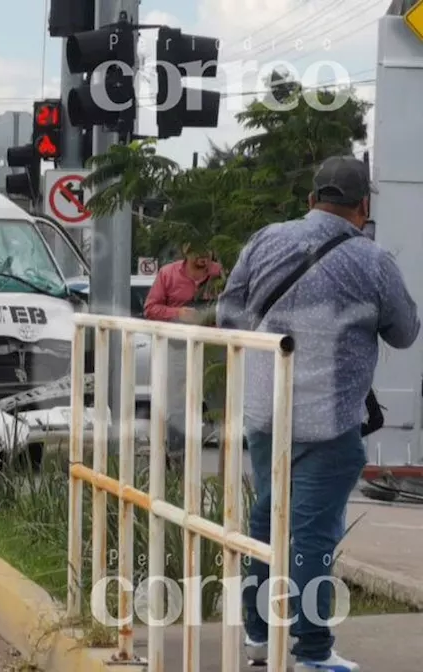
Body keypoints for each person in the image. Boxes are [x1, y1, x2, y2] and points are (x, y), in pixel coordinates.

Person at [218, 157, 419, 672]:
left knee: (267, 519)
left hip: (266, 412)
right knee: (311, 533)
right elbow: (404, 332)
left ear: (310, 200)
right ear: (363, 207)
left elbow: (228, 316)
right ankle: (311, 652)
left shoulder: (265, 239)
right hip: (330, 422)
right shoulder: (373, 261)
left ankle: (259, 638)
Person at [143, 244, 223, 455]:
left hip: (213, 348)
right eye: (199, 250)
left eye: (208, 250)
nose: (205, 256)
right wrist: (178, 313)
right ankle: (177, 459)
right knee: (177, 406)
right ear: (186, 249)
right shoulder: (168, 274)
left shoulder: (220, 273)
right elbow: (150, 308)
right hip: (178, 348)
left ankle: (220, 456)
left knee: (220, 403)